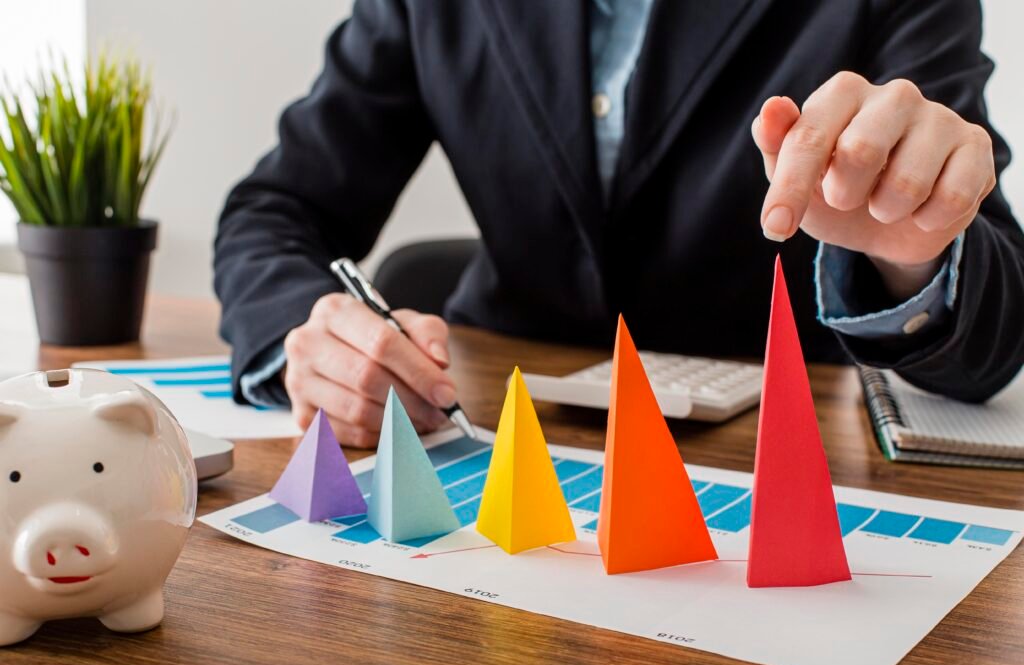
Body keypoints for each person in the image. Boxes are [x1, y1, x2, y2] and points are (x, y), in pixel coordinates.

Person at [215, 0, 1024, 447]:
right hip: (490, 435)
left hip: (776, 457)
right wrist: (307, 336)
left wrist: (919, 263)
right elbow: (274, 209)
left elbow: (999, 330)